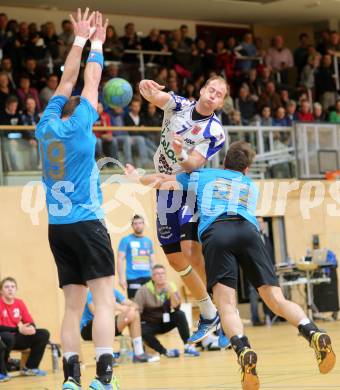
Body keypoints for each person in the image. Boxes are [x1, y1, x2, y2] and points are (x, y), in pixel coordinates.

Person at [125, 140, 336, 390]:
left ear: (224, 161)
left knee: (226, 304)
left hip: (217, 233)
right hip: (248, 231)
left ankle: (243, 349)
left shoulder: (201, 175)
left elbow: (163, 181)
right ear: (246, 169)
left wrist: (137, 177)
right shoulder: (249, 184)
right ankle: (312, 332)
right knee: (276, 299)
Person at [35, 9, 120, 390]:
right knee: (103, 301)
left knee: (72, 307)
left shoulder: (44, 127)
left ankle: (71, 378)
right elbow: (90, 79)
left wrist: (79, 39)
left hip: (58, 229)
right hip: (87, 224)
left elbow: (68, 77)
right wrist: (98, 41)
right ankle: (104, 378)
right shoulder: (82, 124)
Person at [139, 75, 229, 344]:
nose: (213, 95)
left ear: (221, 102)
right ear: (201, 89)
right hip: (164, 187)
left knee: (191, 252)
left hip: (187, 185)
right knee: (174, 258)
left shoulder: (215, 131)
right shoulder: (178, 105)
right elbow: (156, 97)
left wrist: (180, 154)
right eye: (210, 89)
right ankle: (210, 311)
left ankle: (219, 312)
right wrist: (146, 88)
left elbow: (194, 164)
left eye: (219, 94)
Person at [134, 264, 199, 358]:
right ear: (152, 277)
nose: (160, 276)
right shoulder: (143, 290)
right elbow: (137, 311)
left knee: (180, 314)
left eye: (163, 273)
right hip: (150, 323)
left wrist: (171, 291)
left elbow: (176, 307)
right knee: (142, 329)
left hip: (165, 321)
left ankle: (187, 346)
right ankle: (164, 351)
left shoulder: (171, 286)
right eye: (157, 274)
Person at [80, 288, 158, 363]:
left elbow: (131, 304)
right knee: (106, 319)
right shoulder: (92, 292)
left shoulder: (112, 291)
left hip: (107, 326)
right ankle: (106, 357)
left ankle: (139, 354)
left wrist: (131, 308)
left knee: (135, 314)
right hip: (88, 329)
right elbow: (95, 312)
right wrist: (118, 307)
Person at [0, 277, 49, 381]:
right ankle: (3, 370)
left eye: (13, 287)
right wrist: (18, 330)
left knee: (43, 333)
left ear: (16, 289)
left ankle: (30, 367)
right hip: (3, 338)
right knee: (8, 337)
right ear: (1, 291)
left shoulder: (19, 303)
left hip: (16, 337)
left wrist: (31, 328)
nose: (10, 289)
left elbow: (29, 321)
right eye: (7, 287)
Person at [117, 215, 155, 298]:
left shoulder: (148, 241)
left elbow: (152, 261)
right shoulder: (126, 240)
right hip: (133, 278)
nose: (138, 225)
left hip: (148, 278)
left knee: (149, 305)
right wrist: (121, 278)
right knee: (134, 305)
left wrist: (154, 276)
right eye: (135, 223)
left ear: (144, 224)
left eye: (140, 223)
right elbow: (120, 259)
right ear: (132, 225)